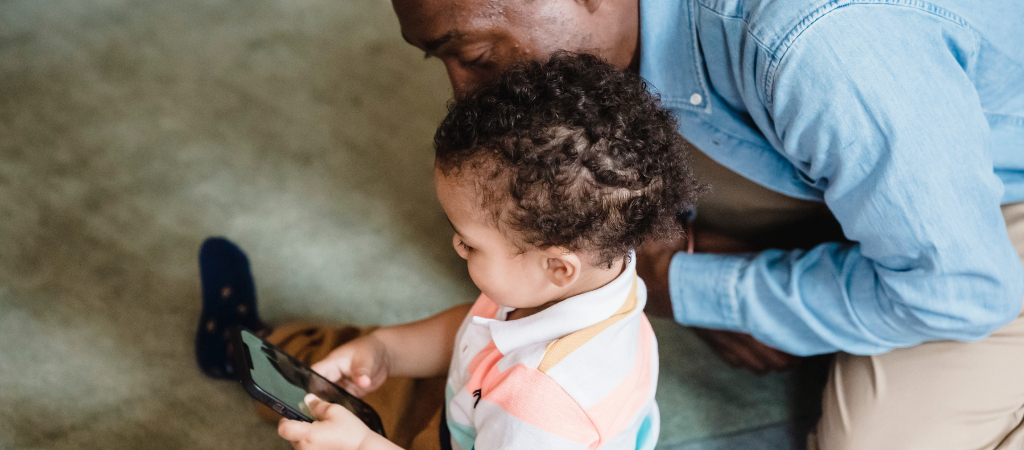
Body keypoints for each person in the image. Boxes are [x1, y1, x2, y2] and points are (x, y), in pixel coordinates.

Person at [202, 0, 1024, 447]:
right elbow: (484, 315)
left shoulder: (822, 43)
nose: (463, 89)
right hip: (886, 133)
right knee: (502, 209)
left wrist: (696, 282)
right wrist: (387, 347)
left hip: (990, 211)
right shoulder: (557, 297)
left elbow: (963, 288)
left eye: (476, 53)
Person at [199, 53, 702, 449]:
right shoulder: (592, 276)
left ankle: (240, 349)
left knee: (333, 419)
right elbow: (477, 329)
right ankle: (262, 348)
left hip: (482, 427)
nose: (455, 245)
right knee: (333, 368)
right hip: (468, 408)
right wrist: (386, 348)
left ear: (557, 266)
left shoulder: (544, 407)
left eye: (470, 241)